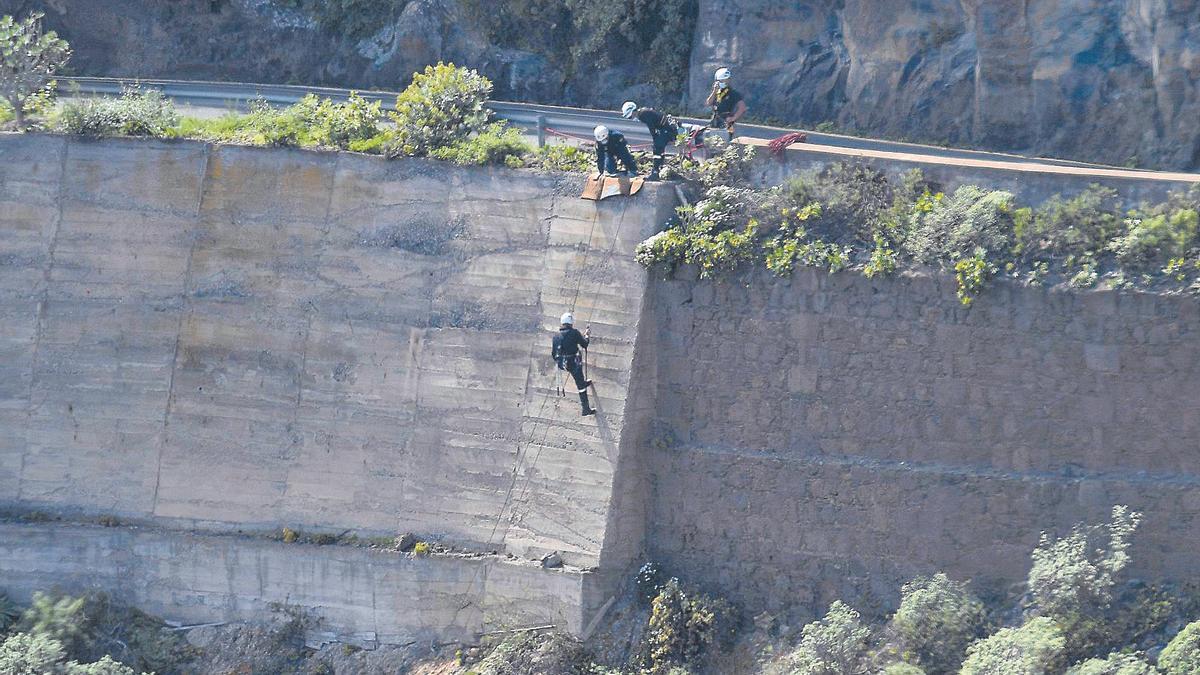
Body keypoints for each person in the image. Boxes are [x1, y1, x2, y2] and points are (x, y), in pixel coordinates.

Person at [622, 101, 679, 181]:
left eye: (630, 116)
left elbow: (651, 127)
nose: (631, 118)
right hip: (665, 128)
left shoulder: (643, 114)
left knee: (657, 147)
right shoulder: (643, 112)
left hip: (669, 130)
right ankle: (660, 166)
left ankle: (655, 172)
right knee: (658, 146)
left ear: (633, 111)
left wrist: (655, 138)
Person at [552, 313, 596, 416]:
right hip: (573, 364)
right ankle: (585, 409)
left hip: (562, 364)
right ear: (571, 323)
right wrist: (587, 335)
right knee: (580, 386)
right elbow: (584, 344)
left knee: (579, 378)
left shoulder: (556, 336)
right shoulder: (574, 333)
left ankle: (584, 383)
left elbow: (554, 354)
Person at [705, 67, 748, 142]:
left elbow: (742, 108)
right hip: (715, 120)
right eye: (719, 81)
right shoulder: (717, 92)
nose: (720, 83)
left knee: (724, 142)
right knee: (711, 142)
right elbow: (708, 103)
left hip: (726, 121)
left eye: (722, 81)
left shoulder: (733, 93)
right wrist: (714, 91)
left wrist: (733, 118)